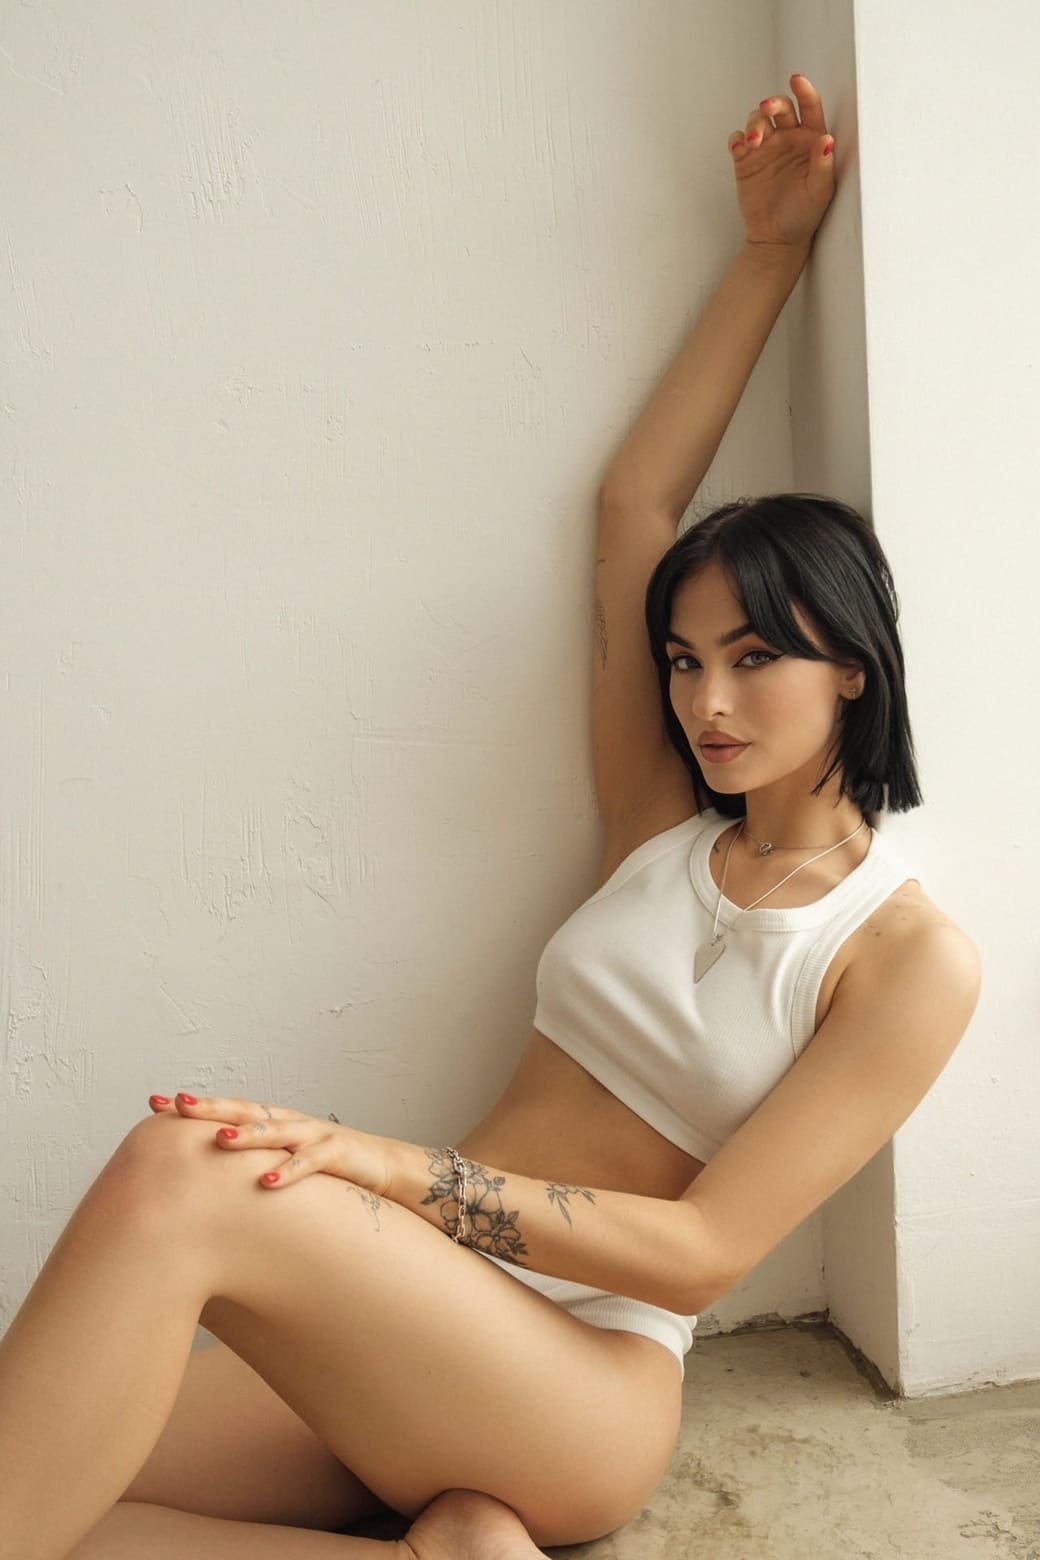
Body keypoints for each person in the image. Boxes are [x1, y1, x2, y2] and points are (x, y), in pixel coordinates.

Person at [0, 73, 981, 1560]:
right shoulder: (662, 826)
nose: (707, 701)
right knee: (54, 1466)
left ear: (851, 665)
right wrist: (769, 253)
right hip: (424, 1327)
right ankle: (454, 1552)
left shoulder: (904, 956)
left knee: (181, 1169)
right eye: (684, 662)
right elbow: (633, 511)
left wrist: (382, 1164)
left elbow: (704, 1253)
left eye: (753, 659)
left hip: (581, 1389)